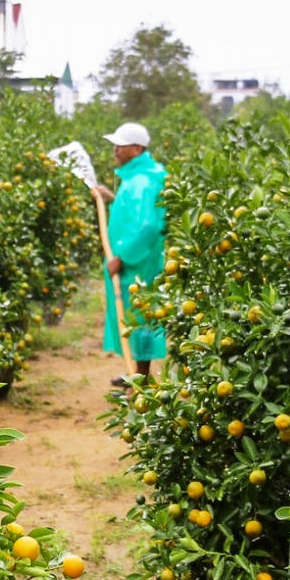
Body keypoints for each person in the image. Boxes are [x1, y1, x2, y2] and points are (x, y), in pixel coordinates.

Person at [93, 122, 168, 385]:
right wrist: (112, 198)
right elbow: (135, 213)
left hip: (139, 263)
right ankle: (137, 374)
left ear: (136, 148)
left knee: (140, 318)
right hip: (138, 261)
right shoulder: (139, 177)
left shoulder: (142, 182)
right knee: (137, 318)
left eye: (120, 146)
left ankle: (141, 379)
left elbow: (147, 226)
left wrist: (121, 258)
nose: (115, 150)